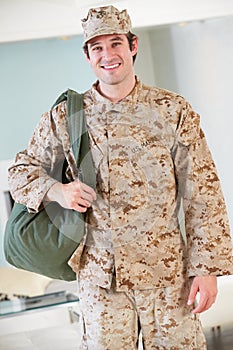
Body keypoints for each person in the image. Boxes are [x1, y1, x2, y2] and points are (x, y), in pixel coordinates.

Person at [8, 5, 233, 350]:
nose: (108, 55)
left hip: (168, 280)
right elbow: (20, 173)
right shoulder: (66, 117)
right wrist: (58, 191)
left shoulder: (172, 111)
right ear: (87, 56)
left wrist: (206, 269)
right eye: (97, 47)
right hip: (101, 282)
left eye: (115, 44)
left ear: (133, 46)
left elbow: (202, 192)